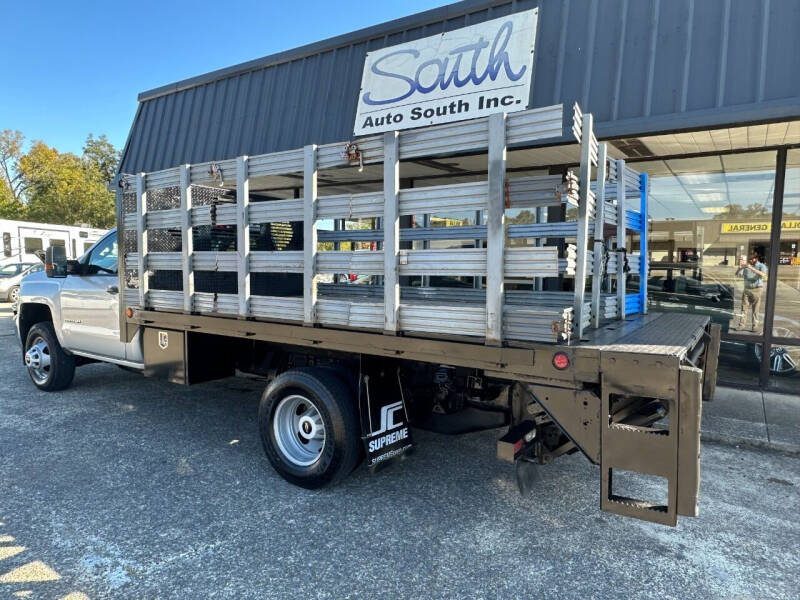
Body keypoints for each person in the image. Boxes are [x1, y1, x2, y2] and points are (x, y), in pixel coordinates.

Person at [735, 252, 767, 331]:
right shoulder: (746, 267)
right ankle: (741, 325)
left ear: (756, 259)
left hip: (757, 289)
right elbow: (737, 274)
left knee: (755, 309)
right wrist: (740, 267)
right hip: (747, 289)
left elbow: (763, 275)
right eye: (749, 259)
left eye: (752, 259)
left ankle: (755, 326)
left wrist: (752, 268)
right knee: (744, 308)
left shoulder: (761, 266)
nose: (750, 260)